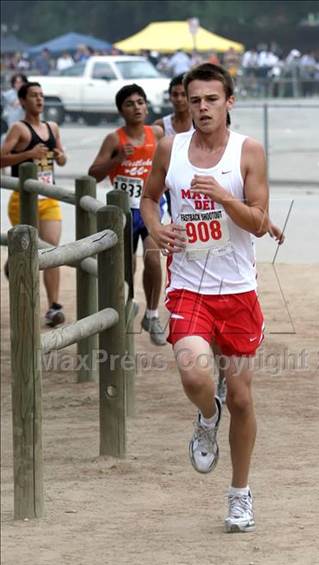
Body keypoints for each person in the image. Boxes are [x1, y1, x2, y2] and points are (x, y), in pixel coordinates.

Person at [141, 63, 284, 533]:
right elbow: (148, 197)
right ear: (185, 101)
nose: (202, 107)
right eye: (195, 99)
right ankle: (206, 415)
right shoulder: (170, 147)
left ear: (229, 103)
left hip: (238, 290)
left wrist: (224, 197)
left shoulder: (249, 151)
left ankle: (240, 495)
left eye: (212, 100)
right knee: (193, 372)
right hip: (188, 287)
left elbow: (260, 223)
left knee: (242, 399)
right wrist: (157, 227)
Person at [88, 84, 166, 346]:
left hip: (151, 207)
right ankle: (126, 309)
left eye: (141, 102)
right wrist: (117, 158)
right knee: (127, 266)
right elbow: (93, 174)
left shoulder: (156, 133)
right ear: (121, 109)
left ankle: (152, 315)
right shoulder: (114, 139)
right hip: (123, 210)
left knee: (154, 259)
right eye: (131, 104)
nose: (137, 108)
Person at [0, 82, 67, 326]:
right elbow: (1, 159)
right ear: (22, 101)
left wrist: (60, 156)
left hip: (48, 198)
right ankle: (24, 300)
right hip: (23, 199)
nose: (39, 100)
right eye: (33, 96)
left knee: (51, 250)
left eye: (41, 95)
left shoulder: (53, 127)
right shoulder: (19, 129)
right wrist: (27, 155)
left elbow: (62, 158)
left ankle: (53, 307)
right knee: (29, 253)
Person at [153, 74, 194, 217]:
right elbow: (154, 159)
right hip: (171, 183)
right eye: (175, 94)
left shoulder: (200, 123)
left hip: (196, 180)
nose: (179, 99)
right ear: (169, 97)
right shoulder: (160, 125)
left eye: (183, 94)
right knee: (176, 218)